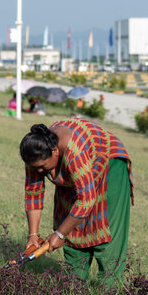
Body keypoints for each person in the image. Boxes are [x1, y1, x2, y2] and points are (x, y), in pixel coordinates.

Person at [19, 119, 133, 285]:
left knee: (107, 234)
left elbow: (86, 200)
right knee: (71, 229)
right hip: (76, 170)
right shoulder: (36, 154)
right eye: (36, 168)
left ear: (55, 151)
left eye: (43, 167)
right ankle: (76, 292)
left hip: (108, 164)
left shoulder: (74, 151)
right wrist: (33, 235)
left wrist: (59, 234)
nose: (39, 172)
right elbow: (33, 193)